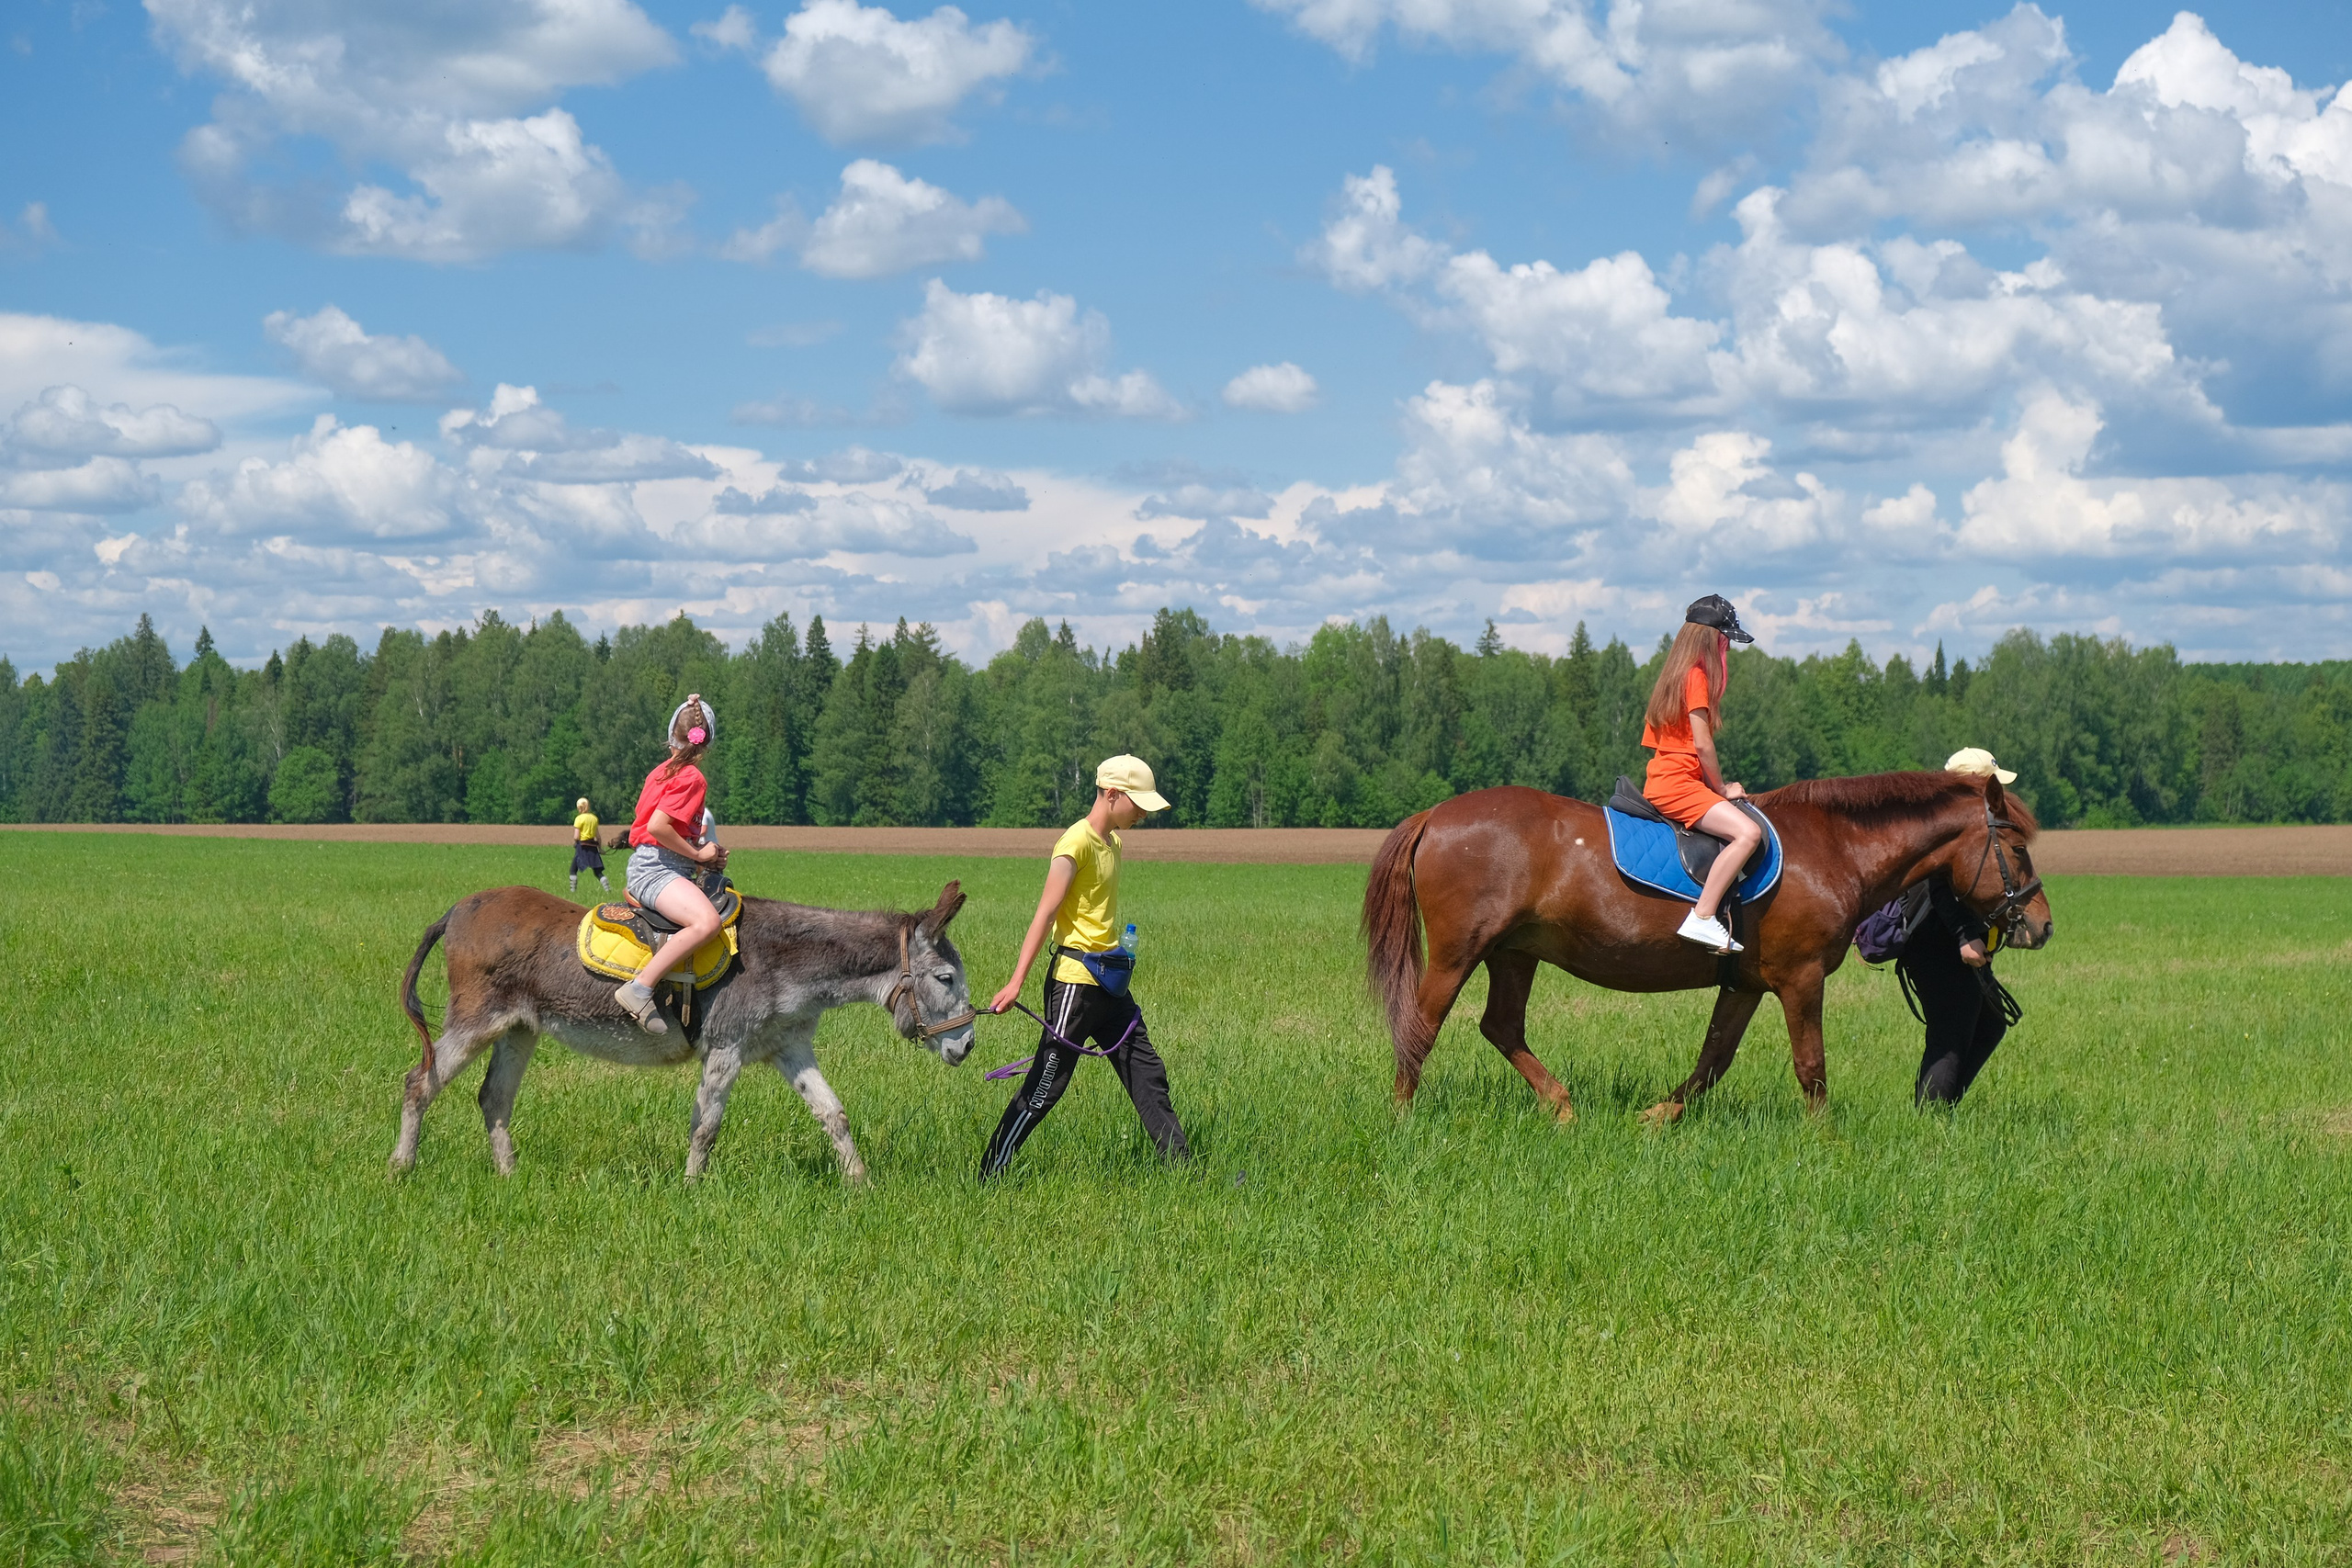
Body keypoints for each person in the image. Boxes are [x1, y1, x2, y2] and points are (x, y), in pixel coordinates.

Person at [979, 755, 1191, 1179]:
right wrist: (1016, 981)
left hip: (1110, 986)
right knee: (1045, 1085)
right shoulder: (1074, 844)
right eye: (1139, 804)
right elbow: (1045, 913)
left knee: (1147, 1072)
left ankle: (1183, 1170)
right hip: (1075, 984)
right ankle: (991, 1172)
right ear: (1112, 794)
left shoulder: (1113, 842)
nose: (1144, 814)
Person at [1894, 748, 2024, 1106]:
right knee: (1950, 1036)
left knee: (1991, 1023)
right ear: (1974, 784)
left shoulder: (1956, 821)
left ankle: (1944, 1107)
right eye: (1993, 783)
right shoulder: (1946, 826)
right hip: (1939, 943)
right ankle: (1931, 1121)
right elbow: (1939, 886)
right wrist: (1965, 937)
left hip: (1951, 942)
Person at [1640, 593, 1763, 953]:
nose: (1727, 649)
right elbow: (1703, 744)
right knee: (1748, 833)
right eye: (1726, 640)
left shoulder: (1672, 677)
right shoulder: (1695, 676)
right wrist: (1721, 788)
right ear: (1714, 639)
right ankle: (1703, 916)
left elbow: (1659, 743)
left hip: (1665, 778)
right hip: (1679, 784)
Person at [613, 695, 727, 1036]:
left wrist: (703, 851)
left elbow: (665, 829)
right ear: (706, 744)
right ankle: (640, 989)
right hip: (657, 869)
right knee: (707, 922)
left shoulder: (661, 771)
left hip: (653, 863)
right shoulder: (692, 778)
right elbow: (658, 828)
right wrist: (697, 857)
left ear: (672, 736)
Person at [569, 796, 610, 896]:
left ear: (579, 807)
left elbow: (576, 836)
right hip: (592, 846)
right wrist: (600, 848)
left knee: (573, 870)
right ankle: (608, 890)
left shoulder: (579, 819)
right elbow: (598, 837)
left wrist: (575, 842)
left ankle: (572, 891)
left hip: (582, 846)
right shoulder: (594, 818)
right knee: (598, 872)